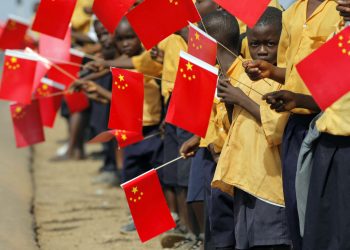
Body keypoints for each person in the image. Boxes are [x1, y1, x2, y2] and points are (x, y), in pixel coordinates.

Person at [244, 1, 343, 249]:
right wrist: (271, 71)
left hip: (329, 122)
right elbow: (291, 72)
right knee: (297, 206)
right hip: (295, 120)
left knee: (326, 214)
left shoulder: (341, 9)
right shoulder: (292, 13)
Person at [213, 7, 291, 250]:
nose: (262, 51)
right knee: (246, 241)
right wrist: (230, 100)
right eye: (255, 44)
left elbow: (279, 127)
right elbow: (234, 122)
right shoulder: (247, 77)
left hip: (270, 181)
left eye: (270, 44)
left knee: (271, 241)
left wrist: (240, 99)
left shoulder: (287, 81)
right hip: (245, 177)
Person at [180, 10, 242, 250]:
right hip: (215, 158)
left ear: (209, 44)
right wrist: (199, 138)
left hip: (233, 168)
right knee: (218, 225)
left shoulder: (240, 80)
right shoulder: (214, 75)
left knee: (233, 228)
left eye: (197, 41)